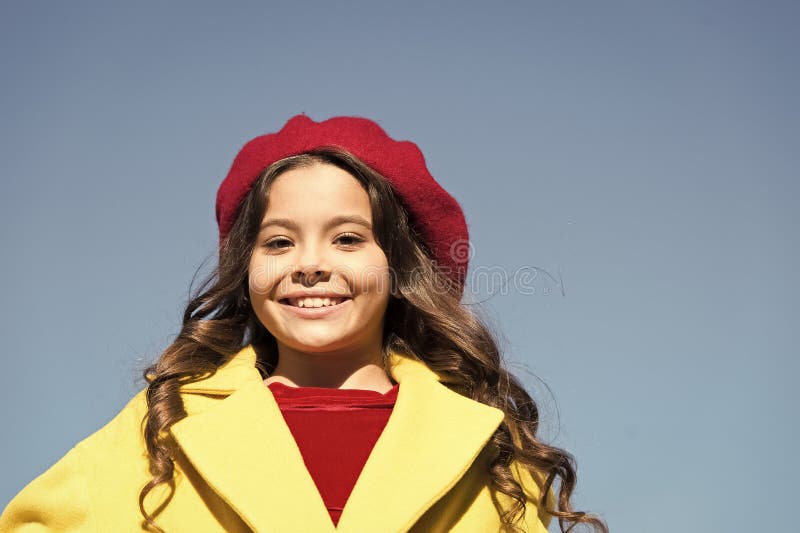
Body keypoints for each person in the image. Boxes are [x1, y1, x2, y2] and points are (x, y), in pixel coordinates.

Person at [0, 115, 608, 532]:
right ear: (246, 269)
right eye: (278, 242)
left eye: (347, 239)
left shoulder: (493, 453)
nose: (310, 265)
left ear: (399, 267)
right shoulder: (164, 426)